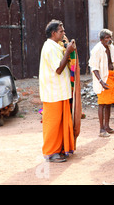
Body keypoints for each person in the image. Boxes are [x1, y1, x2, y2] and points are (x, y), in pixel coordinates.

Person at [39, 19, 76, 163]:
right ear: (53, 33)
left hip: (60, 93)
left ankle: (60, 149)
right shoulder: (49, 47)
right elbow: (59, 69)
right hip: (53, 93)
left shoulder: (56, 46)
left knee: (61, 123)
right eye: (61, 31)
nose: (64, 33)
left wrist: (67, 49)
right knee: (53, 125)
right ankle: (50, 152)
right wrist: (68, 51)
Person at [89, 29, 114, 137]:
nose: (109, 39)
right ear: (101, 39)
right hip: (103, 79)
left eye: (109, 37)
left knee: (109, 103)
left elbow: (113, 63)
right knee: (102, 104)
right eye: (106, 38)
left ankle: (107, 126)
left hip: (111, 76)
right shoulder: (97, 49)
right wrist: (101, 81)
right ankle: (101, 129)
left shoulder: (111, 47)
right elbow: (94, 68)